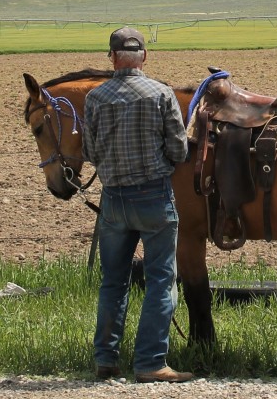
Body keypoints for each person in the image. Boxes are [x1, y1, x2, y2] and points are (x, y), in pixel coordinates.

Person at [81, 26, 193, 383]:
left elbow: (89, 152)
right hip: (154, 197)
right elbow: (179, 149)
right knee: (162, 279)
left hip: (113, 200)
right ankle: (150, 362)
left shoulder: (96, 98)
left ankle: (106, 359)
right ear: (144, 56)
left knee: (113, 282)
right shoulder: (161, 94)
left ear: (112, 57)